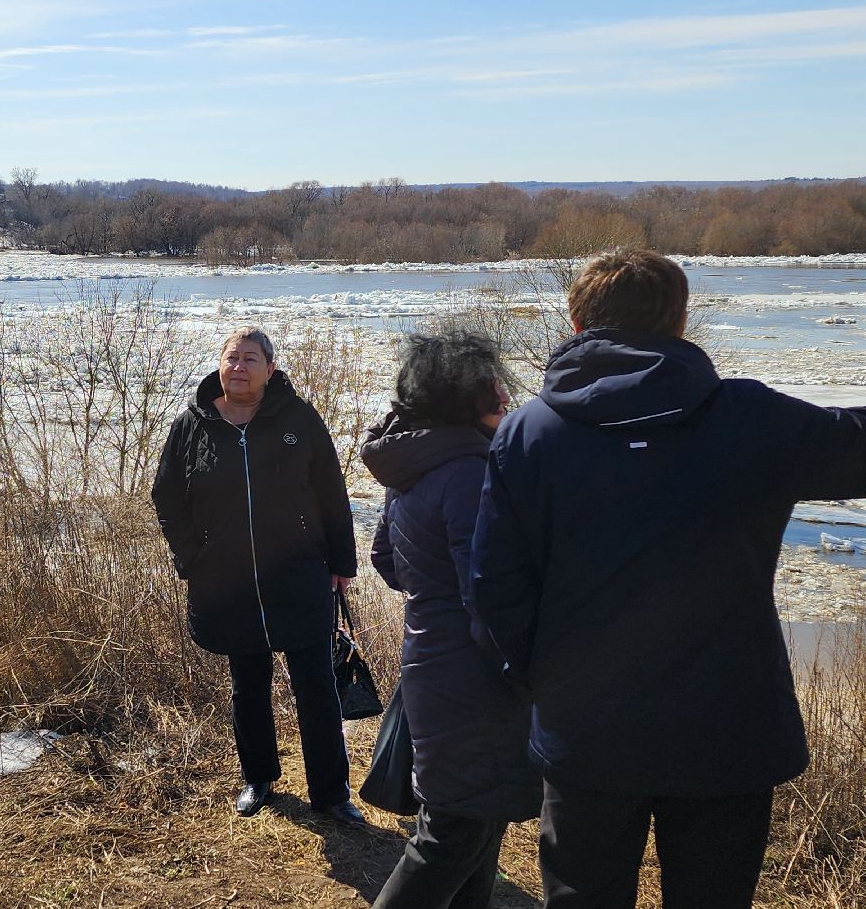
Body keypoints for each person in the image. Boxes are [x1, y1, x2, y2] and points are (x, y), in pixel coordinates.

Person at [470, 247, 866, 909]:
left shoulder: (529, 435)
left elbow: (492, 588)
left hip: (586, 730)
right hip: (728, 728)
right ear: (680, 323)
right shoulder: (751, 419)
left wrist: (539, 682)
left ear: (576, 324)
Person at [152, 326, 363, 823]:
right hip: (230, 582)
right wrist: (192, 557)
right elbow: (167, 497)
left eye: (251, 359)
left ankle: (331, 794)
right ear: (219, 366)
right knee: (248, 683)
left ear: (270, 369)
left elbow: (332, 492)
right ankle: (259, 778)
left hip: (299, 576)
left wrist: (341, 563)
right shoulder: (192, 426)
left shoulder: (299, 419)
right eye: (232, 358)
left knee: (315, 684)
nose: (239, 367)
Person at [360, 330, 541, 909]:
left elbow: (387, 559)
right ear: (464, 397)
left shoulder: (421, 462)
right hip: (474, 678)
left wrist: (431, 597)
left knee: (479, 827)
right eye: (494, 389)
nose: (504, 398)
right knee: (453, 833)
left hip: (436, 663)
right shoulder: (468, 472)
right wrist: (526, 666)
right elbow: (486, 593)